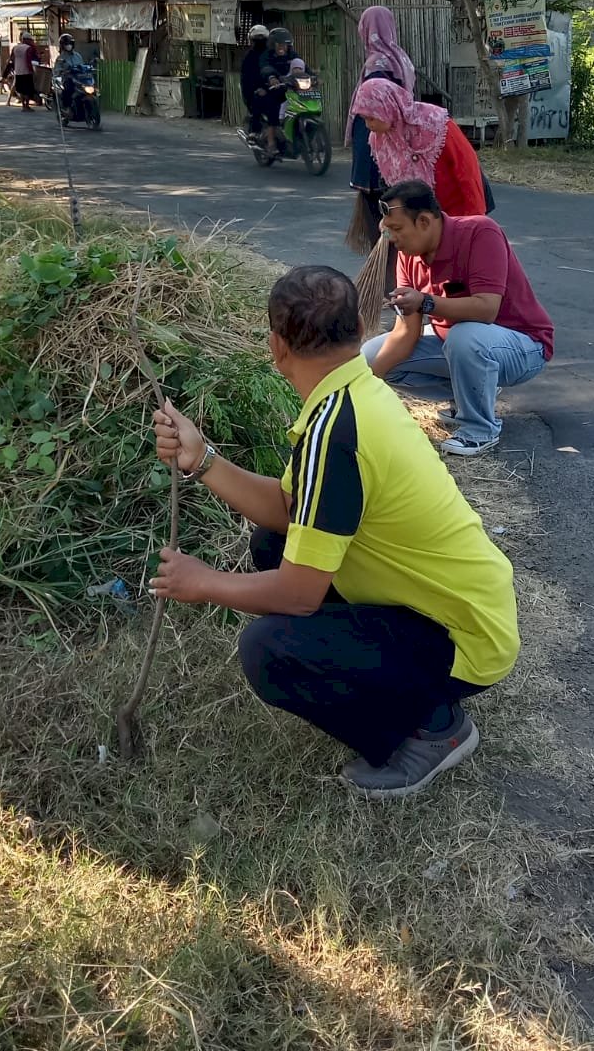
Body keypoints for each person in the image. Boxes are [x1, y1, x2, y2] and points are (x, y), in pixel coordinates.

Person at [150, 264, 520, 798]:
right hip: (461, 608)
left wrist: (203, 581)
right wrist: (202, 459)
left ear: (276, 346)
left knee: (270, 650)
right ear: (357, 329)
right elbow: (287, 507)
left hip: (461, 636)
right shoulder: (355, 394)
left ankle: (435, 728)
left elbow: (298, 597)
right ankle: (402, 682)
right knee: (272, 544)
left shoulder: (336, 432)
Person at [362, 180, 553, 458]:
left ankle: (479, 430)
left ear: (425, 221)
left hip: (524, 346)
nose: (392, 239)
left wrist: (425, 301)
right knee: (370, 355)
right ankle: (468, 398)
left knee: (464, 337)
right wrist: (366, 384)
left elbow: (486, 309)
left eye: (397, 229)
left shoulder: (480, 232)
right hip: (463, 344)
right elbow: (406, 333)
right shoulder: (408, 255)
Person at [351, 77, 487, 218]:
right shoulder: (379, 140)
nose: (368, 125)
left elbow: (467, 170)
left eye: (371, 118)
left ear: (387, 108)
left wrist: (475, 220)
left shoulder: (435, 125)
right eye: (364, 119)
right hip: (419, 222)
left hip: (458, 214)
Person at [346, 6, 416, 253]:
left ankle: (386, 256)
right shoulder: (400, 58)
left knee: (377, 198)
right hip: (397, 137)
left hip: (376, 137)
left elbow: (376, 111)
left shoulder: (377, 62)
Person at [258, 27, 297, 155]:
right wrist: (271, 77)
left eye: (285, 45)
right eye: (280, 45)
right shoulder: (266, 55)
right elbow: (265, 68)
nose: (283, 48)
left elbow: (302, 66)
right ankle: (271, 142)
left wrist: (313, 76)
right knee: (273, 108)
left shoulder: (291, 54)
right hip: (270, 88)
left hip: (288, 87)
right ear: (273, 44)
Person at [239, 23, 269, 136]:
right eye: (257, 39)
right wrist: (257, 89)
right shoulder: (249, 57)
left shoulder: (272, 54)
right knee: (257, 101)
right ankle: (254, 131)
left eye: (262, 38)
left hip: (273, 86)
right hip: (255, 90)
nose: (260, 41)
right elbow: (247, 79)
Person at [7, 32, 41, 110]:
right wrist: (31, 70)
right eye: (30, 40)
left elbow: (11, 59)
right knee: (27, 89)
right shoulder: (28, 48)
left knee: (21, 89)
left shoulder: (15, 48)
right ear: (27, 40)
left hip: (18, 71)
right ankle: (27, 105)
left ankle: (23, 105)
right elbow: (29, 60)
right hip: (26, 71)